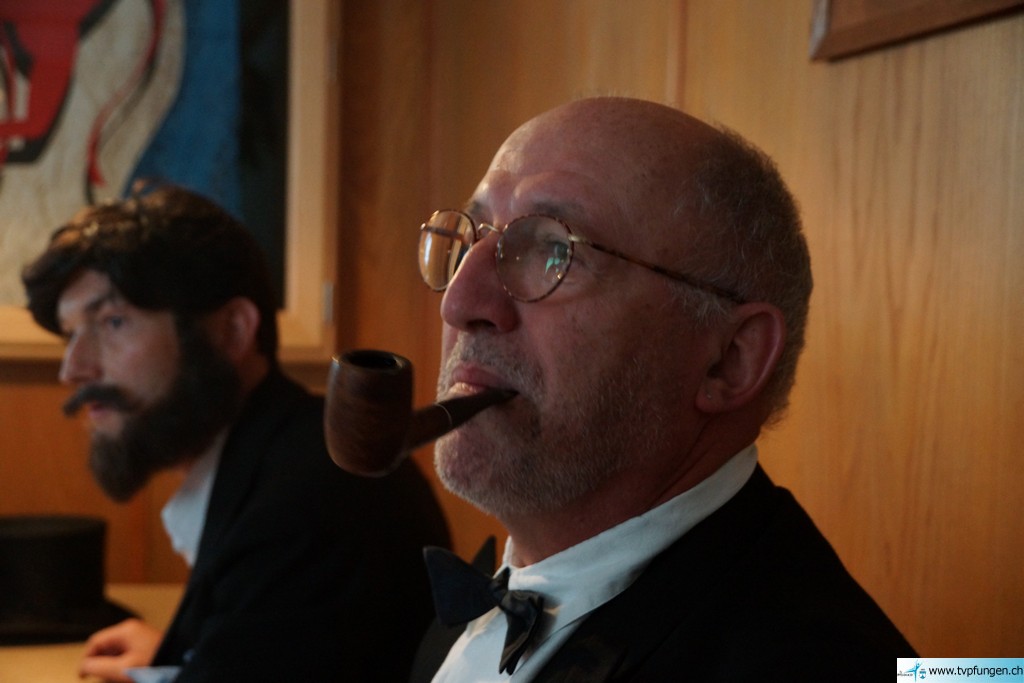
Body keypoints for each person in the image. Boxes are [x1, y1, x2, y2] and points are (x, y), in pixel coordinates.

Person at [410, 97, 915, 682]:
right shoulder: (475, 605)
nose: (459, 302)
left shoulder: (820, 663)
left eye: (553, 251)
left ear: (729, 360)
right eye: (472, 241)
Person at [21, 184, 450, 683]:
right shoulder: (288, 449)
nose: (73, 369)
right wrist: (184, 656)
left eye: (113, 322)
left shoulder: (305, 505)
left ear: (232, 330)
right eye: (71, 333)